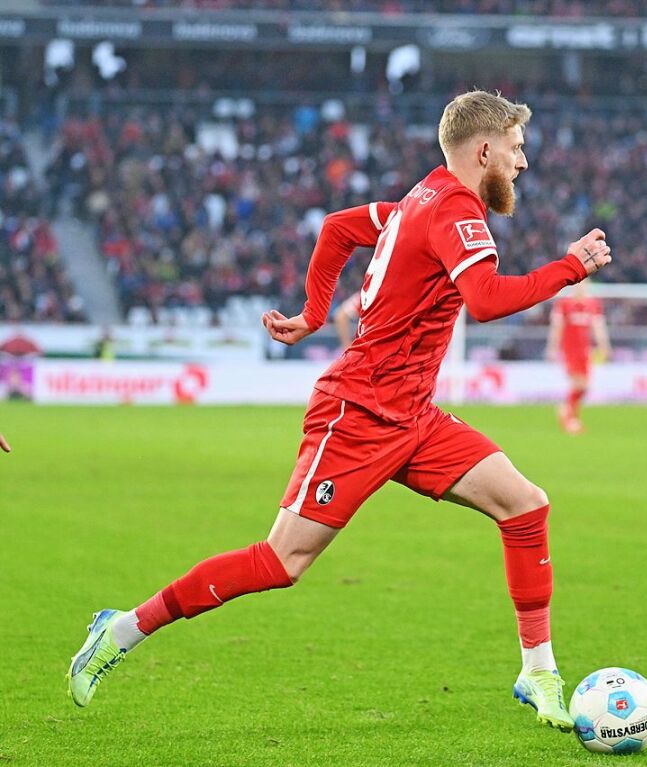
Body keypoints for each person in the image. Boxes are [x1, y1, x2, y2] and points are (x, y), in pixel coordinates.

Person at [66, 91, 612, 732]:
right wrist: (570, 267)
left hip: (414, 414)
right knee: (280, 563)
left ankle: (537, 670)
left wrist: (314, 312)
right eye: (516, 149)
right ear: (484, 150)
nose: (523, 163)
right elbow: (486, 300)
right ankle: (122, 629)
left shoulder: (420, 197)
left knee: (525, 503)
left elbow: (338, 228)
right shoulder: (457, 210)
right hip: (358, 413)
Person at [545, 281, 610, 434]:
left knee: (584, 385)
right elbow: (557, 327)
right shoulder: (564, 304)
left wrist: (604, 345)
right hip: (569, 349)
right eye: (579, 285)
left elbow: (598, 327)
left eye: (584, 285)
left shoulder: (593, 304)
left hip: (585, 350)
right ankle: (569, 418)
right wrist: (552, 348)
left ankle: (568, 413)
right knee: (578, 383)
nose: (581, 288)